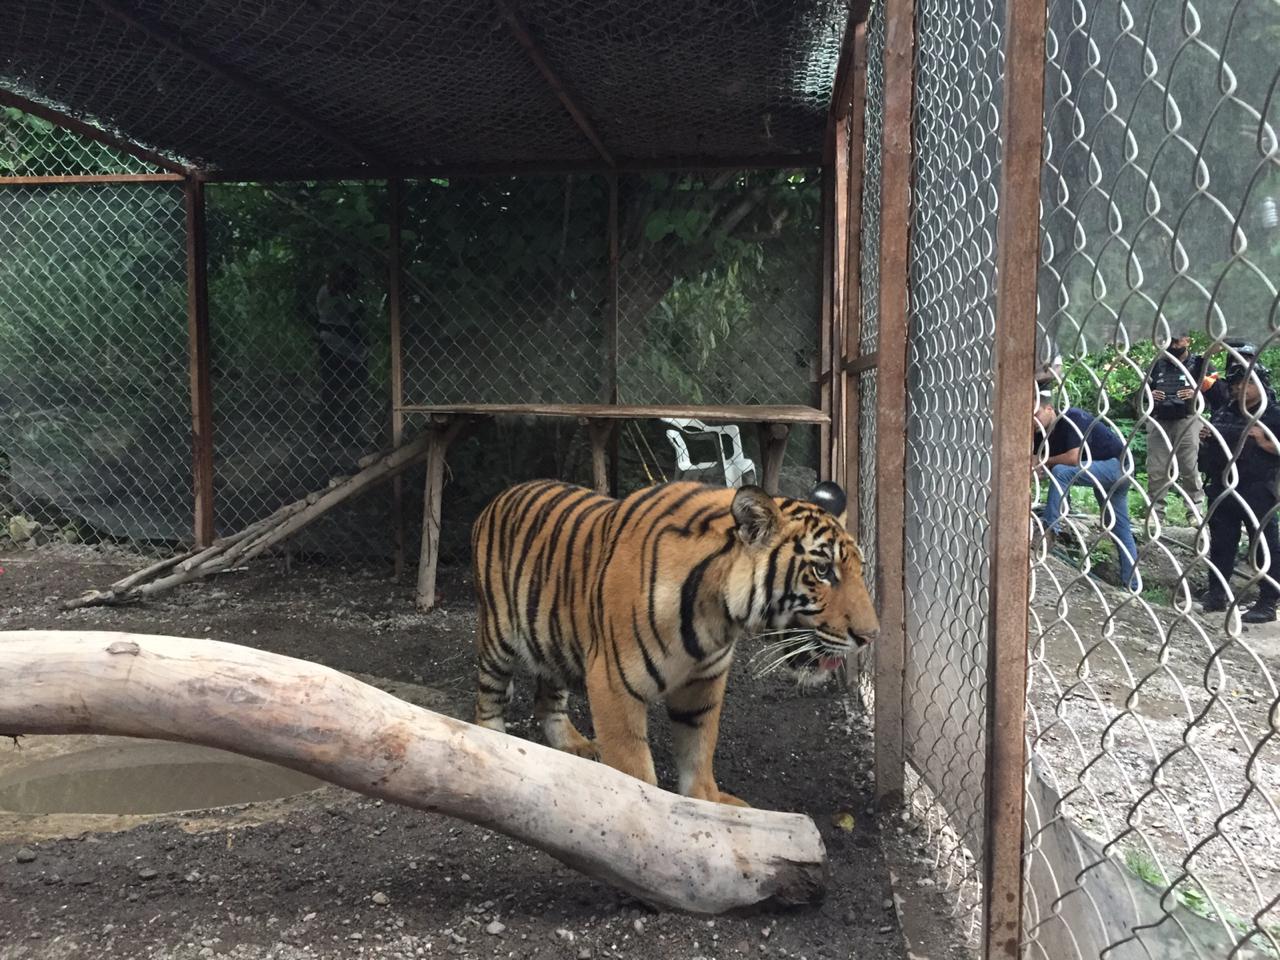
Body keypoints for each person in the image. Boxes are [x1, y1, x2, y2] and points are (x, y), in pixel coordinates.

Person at [1198, 351, 1280, 622]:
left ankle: (1268, 602)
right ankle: (1216, 594)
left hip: (1258, 488)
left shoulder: (1274, 413)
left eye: (1247, 383)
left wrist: (1266, 441)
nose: (1240, 389)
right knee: (1221, 543)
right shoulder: (1225, 410)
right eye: (1235, 385)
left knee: (1264, 544)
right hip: (1222, 484)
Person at [1034, 398, 1139, 590]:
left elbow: (1073, 458)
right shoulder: (1038, 435)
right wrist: (1039, 466)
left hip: (1116, 465)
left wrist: (1042, 461)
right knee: (1118, 527)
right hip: (1102, 470)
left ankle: (1050, 530)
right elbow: (1038, 465)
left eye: (1037, 413)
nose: (1034, 420)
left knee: (1061, 471)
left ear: (1049, 408)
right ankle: (1132, 585)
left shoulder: (1071, 417)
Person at [1138, 332, 1224, 521]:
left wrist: (1196, 393)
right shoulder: (1155, 364)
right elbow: (1141, 391)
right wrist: (1150, 395)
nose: (1175, 345)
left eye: (1178, 340)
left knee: (1189, 466)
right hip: (1159, 420)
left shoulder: (1201, 365)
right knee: (1156, 468)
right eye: (1170, 341)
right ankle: (1155, 512)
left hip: (1188, 418)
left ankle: (1194, 511)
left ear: (1187, 341)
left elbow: (1218, 394)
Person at [314, 263, 368, 442]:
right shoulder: (331, 294)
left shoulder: (349, 295)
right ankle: (326, 434)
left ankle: (348, 433)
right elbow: (346, 320)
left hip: (352, 351)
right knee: (333, 392)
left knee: (352, 391)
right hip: (334, 347)